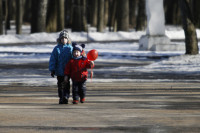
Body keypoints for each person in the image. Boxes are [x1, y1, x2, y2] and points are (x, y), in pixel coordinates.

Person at [49, 30, 73, 104]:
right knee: (60, 85)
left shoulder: (70, 48)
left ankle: (66, 96)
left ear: (68, 39)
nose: (64, 40)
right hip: (59, 71)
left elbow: (73, 58)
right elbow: (53, 59)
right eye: (62, 38)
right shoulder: (56, 49)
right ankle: (61, 97)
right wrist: (52, 69)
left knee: (66, 84)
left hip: (67, 71)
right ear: (60, 39)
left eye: (65, 38)